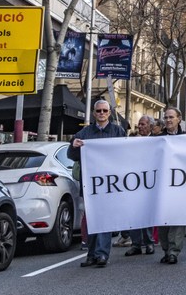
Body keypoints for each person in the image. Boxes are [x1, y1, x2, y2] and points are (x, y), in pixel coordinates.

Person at [68, 100, 126, 267]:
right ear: (94, 113)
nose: (101, 113)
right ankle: (91, 254)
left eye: (104, 110)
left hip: (110, 183)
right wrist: (74, 146)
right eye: (98, 110)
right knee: (92, 220)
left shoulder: (118, 131)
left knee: (105, 219)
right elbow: (71, 155)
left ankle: (102, 254)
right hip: (90, 185)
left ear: (109, 113)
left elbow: (125, 153)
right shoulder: (84, 133)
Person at [157, 107, 186, 264]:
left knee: (176, 218)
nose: (168, 120)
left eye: (171, 117)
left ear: (179, 119)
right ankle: (166, 249)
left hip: (181, 186)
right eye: (166, 117)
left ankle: (173, 252)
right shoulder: (156, 138)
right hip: (162, 187)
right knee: (162, 219)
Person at [125, 115, 156, 257]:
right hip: (133, 182)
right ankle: (136, 244)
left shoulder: (158, 140)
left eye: (143, 124)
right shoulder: (132, 141)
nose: (140, 127)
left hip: (150, 182)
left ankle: (149, 243)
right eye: (139, 125)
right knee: (133, 214)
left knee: (147, 214)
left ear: (150, 126)